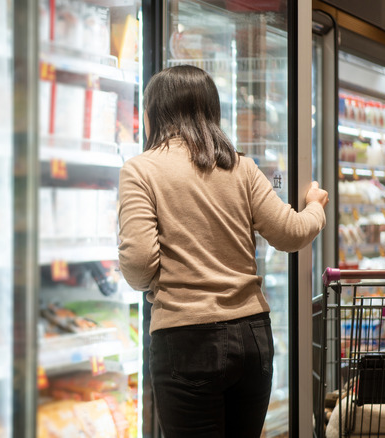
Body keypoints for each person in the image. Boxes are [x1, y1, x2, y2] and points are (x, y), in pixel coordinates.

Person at [118, 65, 328, 437]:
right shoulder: (241, 166)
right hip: (253, 339)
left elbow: (137, 265)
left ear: (154, 114)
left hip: (186, 340)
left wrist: (164, 278)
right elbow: (291, 234)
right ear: (211, 113)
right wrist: (315, 205)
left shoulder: (140, 170)